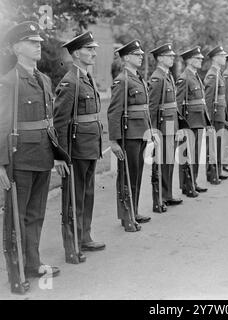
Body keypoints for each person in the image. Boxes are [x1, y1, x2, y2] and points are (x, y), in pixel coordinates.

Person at [0, 21, 69, 291]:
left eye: (39, 41)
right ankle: (16, 274)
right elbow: (2, 125)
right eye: (31, 41)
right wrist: (1, 165)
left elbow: (48, 122)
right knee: (15, 217)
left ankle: (33, 263)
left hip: (42, 155)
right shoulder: (8, 82)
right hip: (20, 158)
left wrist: (58, 155)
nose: (38, 45)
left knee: (36, 215)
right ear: (17, 48)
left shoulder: (44, 79)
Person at [54, 31, 106, 254]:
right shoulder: (70, 81)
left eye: (94, 49)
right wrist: (60, 156)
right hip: (76, 148)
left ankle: (85, 235)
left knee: (88, 193)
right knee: (75, 196)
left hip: (90, 145)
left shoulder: (86, 77)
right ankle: (73, 241)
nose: (94, 53)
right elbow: (60, 123)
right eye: (89, 49)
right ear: (76, 53)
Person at [107, 40, 152, 231]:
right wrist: (114, 141)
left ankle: (133, 211)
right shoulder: (122, 80)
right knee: (127, 176)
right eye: (137, 54)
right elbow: (114, 111)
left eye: (141, 54)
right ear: (126, 58)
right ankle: (127, 217)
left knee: (137, 174)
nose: (141, 57)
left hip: (140, 133)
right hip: (128, 135)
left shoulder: (138, 78)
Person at [148, 43, 183, 212]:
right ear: (160, 58)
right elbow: (152, 106)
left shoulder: (167, 76)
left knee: (169, 161)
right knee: (162, 162)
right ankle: (160, 197)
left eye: (172, 56)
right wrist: (153, 130)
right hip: (163, 125)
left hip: (171, 124)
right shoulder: (157, 77)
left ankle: (167, 194)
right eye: (169, 56)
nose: (172, 58)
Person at [176, 46, 209, 196]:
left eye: (201, 58)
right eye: (197, 58)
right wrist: (180, 125)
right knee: (187, 154)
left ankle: (193, 182)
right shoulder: (185, 78)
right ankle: (186, 185)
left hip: (198, 120)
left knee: (195, 154)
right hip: (189, 121)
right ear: (189, 60)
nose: (201, 60)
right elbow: (178, 103)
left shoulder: (195, 76)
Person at [204, 45, 228, 183]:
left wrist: (225, 115)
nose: (224, 58)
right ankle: (211, 173)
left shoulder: (218, 73)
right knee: (212, 145)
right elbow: (208, 99)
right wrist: (208, 120)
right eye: (222, 56)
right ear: (215, 58)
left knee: (219, 143)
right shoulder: (212, 75)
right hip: (214, 114)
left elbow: (222, 98)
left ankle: (218, 171)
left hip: (219, 113)